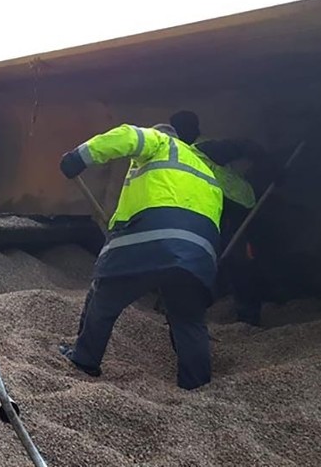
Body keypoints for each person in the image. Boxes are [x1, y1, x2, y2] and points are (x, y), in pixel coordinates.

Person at [58, 123, 223, 390]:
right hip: (198, 252)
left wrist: (80, 157)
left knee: (104, 295)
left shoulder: (160, 142)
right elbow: (242, 195)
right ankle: (196, 385)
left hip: (150, 236)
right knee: (188, 319)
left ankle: (85, 359)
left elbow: (127, 136)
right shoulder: (206, 168)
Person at [169, 111, 264, 325]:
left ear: (194, 128)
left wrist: (270, 167)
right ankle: (214, 304)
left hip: (234, 205)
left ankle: (248, 316)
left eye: (183, 127)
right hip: (212, 208)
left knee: (238, 257)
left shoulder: (207, 147)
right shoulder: (180, 153)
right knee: (209, 255)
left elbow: (247, 147)